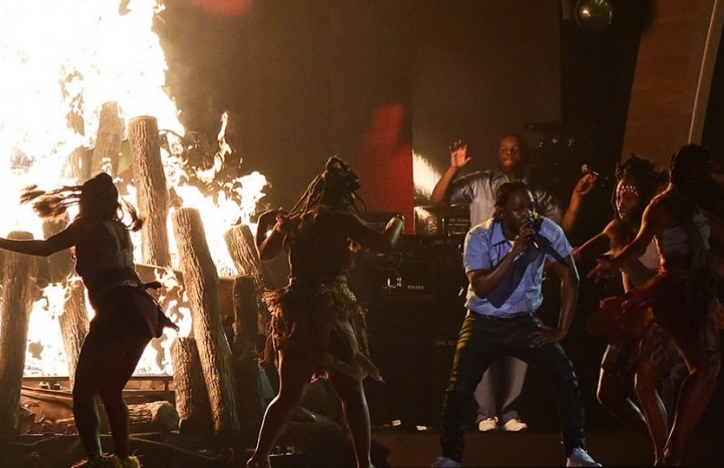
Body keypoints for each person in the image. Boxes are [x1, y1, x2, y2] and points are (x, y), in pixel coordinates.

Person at [0, 172, 175, 468]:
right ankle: (123, 460)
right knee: (110, 390)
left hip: (117, 310)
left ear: (87, 201)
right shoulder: (120, 229)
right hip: (143, 313)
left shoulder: (87, 226)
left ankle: (97, 461)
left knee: (83, 393)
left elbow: (45, 248)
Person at [589, 144, 724, 465]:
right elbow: (638, 245)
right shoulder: (658, 210)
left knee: (704, 370)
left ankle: (671, 451)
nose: (700, 179)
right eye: (696, 173)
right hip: (669, 297)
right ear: (678, 172)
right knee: (646, 383)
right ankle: (668, 453)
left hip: (691, 294)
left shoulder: (693, 212)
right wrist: (612, 262)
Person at [246, 156, 404, 468]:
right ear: (343, 195)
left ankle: (260, 456)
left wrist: (265, 222)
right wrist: (398, 220)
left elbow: (265, 253)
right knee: (351, 391)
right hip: (330, 312)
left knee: (288, 394)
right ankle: (365, 463)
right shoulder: (342, 218)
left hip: (297, 312)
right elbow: (384, 244)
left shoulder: (294, 221)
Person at [432, 181, 599, 468]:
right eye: (519, 209)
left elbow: (570, 277)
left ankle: (576, 452)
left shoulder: (546, 231)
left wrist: (561, 330)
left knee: (565, 375)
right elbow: (482, 287)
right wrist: (515, 252)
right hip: (482, 322)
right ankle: (450, 457)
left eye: (531, 207)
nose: (528, 214)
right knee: (459, 388)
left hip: (522, 322)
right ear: (500, 212)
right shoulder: (479, 236)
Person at [429, 134, 573, 433]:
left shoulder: (537, 199)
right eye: (504, 149)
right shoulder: (480, 188)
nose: (510, 154)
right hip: (487, 281)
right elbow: (438, 200)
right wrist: (453, 167)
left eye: (516, 149)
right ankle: (485, 415)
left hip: (522, 294)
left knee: (526, 353)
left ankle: (510, 412)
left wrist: (561, 329)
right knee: (479, 354)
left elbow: (562, 239)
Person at [570, 155, 681, 462]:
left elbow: (671, 275)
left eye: (629, 194)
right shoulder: (616, 230)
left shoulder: (659, 227)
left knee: (645, 384)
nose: (621, 200)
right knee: (608, 394)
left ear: (644, 196)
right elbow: (580, 253)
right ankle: (665, 447)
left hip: (663, 313)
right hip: (633, 314)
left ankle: (666, 456)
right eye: (618, 194)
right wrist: (546, 256)